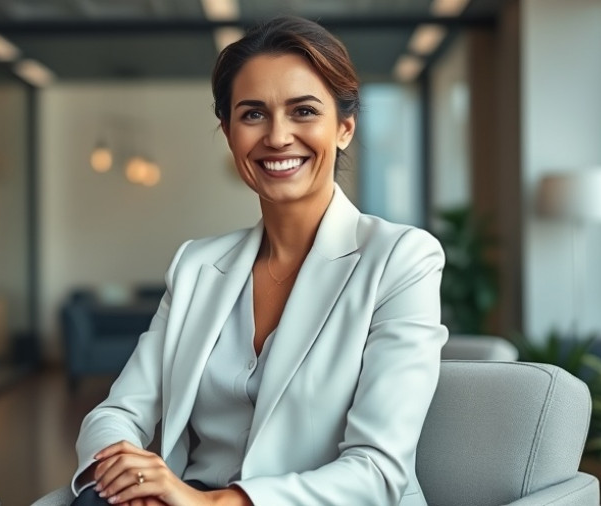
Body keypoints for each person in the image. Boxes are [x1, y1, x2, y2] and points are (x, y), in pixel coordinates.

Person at [67, 16, 447, 506]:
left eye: (304, 111)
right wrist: (128, 477)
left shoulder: (400, 258)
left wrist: (210, 503)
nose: (278, 136)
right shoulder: (195, 266)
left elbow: (377, 470)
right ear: (228, 133)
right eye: (252, 115)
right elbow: (117, 411)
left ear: (344, 128)